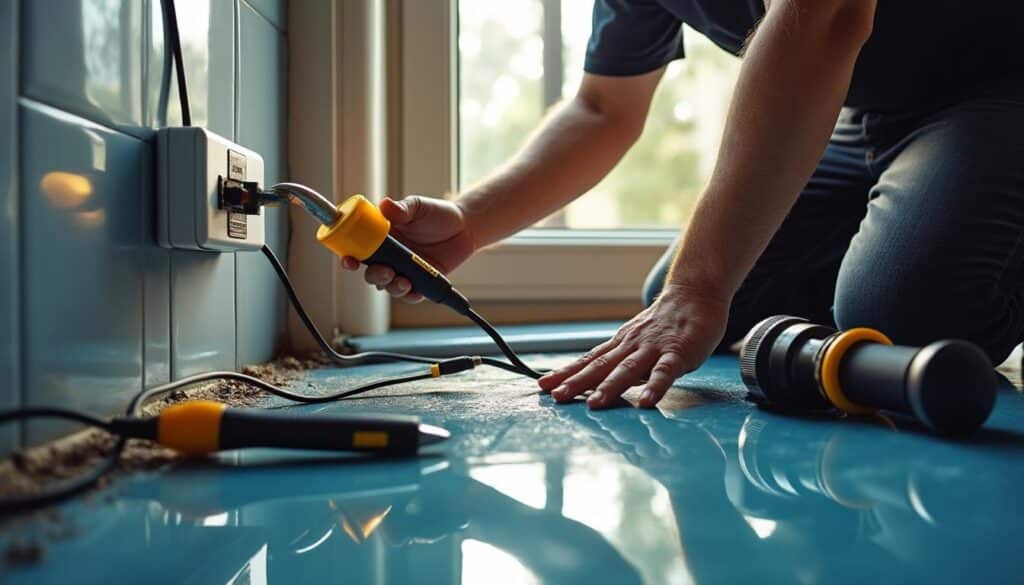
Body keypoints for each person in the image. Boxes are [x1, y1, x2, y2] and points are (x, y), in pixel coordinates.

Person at [342, 0, 1024, 409]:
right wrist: (468, 222)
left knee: (902, 310)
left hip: (1000, 86)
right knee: (718, 304)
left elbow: (826, 13)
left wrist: (697, 283)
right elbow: (603, 107)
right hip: (865, 115)